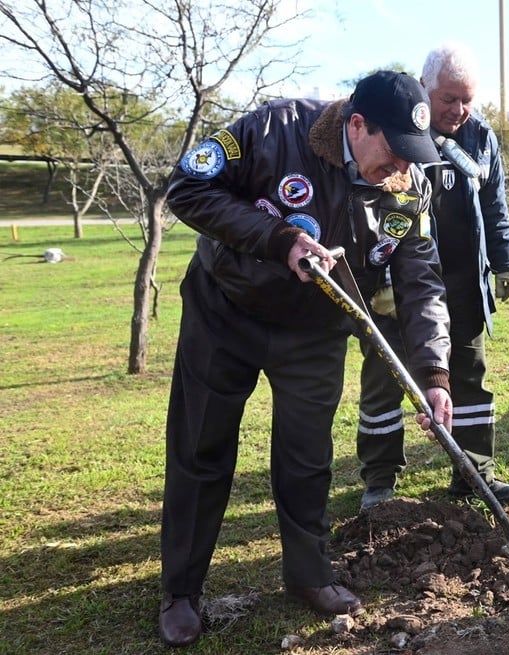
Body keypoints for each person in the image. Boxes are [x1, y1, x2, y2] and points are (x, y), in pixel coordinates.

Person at [158, 71, 453, 647]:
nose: (402, 168)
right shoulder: (272, 130)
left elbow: (420, 280)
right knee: (201, 447)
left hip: (316, 328)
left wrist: (435, 374)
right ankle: (182, 590)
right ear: (357, 125)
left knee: (306, 455)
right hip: (227, 309)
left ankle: (308, 575)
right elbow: (187, 189)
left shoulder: (406, 185)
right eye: (393, 152)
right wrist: (277, 238)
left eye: (411, 157)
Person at [356, 44, 509, 512]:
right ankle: (380, 482)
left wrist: (506, 260)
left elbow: (495, 205)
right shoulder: (398, 128)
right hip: (396, 283)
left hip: (464, 281)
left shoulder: (480, 137)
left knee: (470, 376)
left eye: (467, 99)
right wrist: (380, 274)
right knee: (385, 380)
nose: (458, 109)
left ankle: (475, 473)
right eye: (449, 98)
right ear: (425, 88)